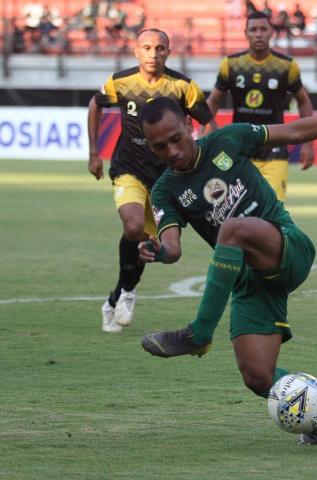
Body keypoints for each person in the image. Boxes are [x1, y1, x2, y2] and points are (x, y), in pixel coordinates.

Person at [136, 87, 317, 445]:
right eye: (160, 147)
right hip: (248, 280)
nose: (172, 152)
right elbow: (173, 249)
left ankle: (199, 335)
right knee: (258, 376)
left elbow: (297, 131)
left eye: (176, 139)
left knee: (232, 229)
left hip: (287, 247)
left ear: (190, 125)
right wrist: (157, 251)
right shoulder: (164, 190)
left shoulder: (228, 139)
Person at [87, 29, 213, 333]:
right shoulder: (120, 81)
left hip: (166, 177)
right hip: (128, 167)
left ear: (168, 52)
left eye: (159, 48)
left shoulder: (183, 86)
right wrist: (94, 152)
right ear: (136, 51)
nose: (153, 53)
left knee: (147, 240)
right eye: (147, 47)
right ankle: (128, 293)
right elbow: (96, 105)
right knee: (132, 227)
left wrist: (197, 157)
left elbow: (207, 121)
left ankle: (118, 294)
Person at [205, 11, 314, 202]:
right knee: (239, 211)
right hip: (240, 152)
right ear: (245, 33)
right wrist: (205, 135)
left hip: (275, 151)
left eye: (263, 29)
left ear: (271, 32)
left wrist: (308, 143)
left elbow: (303, 101)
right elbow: (213, 101)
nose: (258, 34)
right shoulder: (230, 65)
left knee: (273, 209)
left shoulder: (286, 66)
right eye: (253, 29)